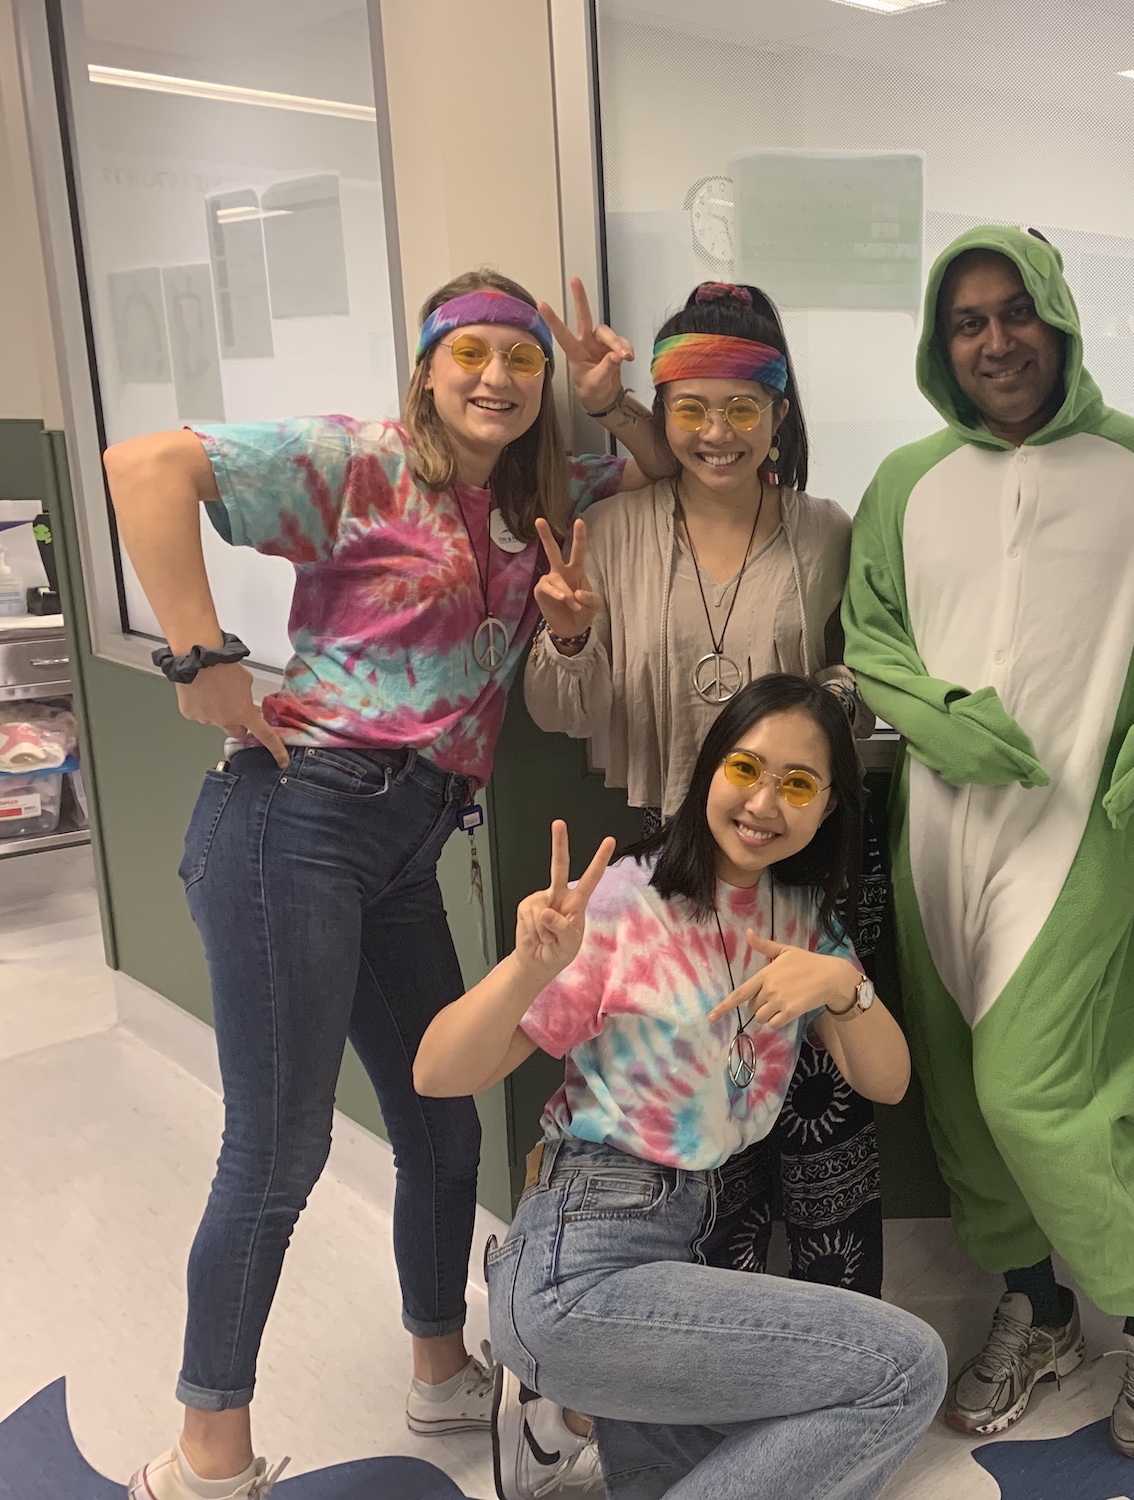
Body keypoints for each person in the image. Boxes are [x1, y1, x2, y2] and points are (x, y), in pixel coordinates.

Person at [106, 270, 653, 1500]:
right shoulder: (357, 462)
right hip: (294, 818)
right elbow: (144, 465)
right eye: (473, 356)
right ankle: (204, 1459)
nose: (499, 380)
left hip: (411, 839)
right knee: (281, 1146)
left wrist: (616, 404)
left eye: (523, 361)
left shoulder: (532, 501)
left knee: (442, 1122)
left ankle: (439, 1367)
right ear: (426, 367)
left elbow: (662, 476)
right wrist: (200, 656)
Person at [841, 224, 1134, 1459]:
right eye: (966, 321)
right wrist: (936, 722)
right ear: (939, 343)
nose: (995, 340)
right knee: (960, 1101)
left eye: (1015, 311)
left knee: (1036, 1096)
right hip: (938, 836)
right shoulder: (905, 480)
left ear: (1059, 317)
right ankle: (1038, 1303)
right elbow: (869, 637)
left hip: (1082, 829)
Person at [413, 674, 946, 1500]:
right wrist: (528, 968)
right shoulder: (629, 902)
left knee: (716, 1470)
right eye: (745, 769)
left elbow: (886, 1079)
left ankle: (560, 1417)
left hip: (675, 1255)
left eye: (798, 784)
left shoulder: (804, 923)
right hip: (577, 1258)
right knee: (905, 1369)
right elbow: (437, 1072)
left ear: (829, 806)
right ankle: (559, 1393)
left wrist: (845, 986)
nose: (765, 802)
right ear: (708, 772)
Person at [524, 279, 884, 1296]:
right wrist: (571, 632)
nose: (714, 433)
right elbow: (561, 710)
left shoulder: (827, 532)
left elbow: (869, 675)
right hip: (671, 864)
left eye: (740, 408)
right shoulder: (618, 528)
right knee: (693, 1113)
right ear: (664, 412)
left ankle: (840, 1338)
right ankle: (709, 1350)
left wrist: (817, 705)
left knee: (823, 1110)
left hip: (802, 854)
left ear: (779, 412)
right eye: (688, 408)